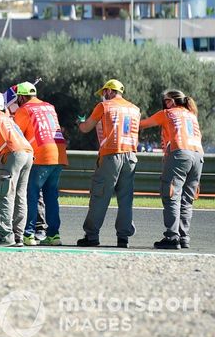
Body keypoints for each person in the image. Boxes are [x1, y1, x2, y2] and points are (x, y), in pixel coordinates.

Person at [76, 79, 140, 248]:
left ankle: (91, 236)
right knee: (126, 199)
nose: (103, 96)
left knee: (100, 196)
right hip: (131, 156)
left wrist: (79, 122)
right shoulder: (135, 109)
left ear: (110, 91)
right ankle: (123, 238)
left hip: (111, 155)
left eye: (104, 92)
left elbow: (86, 127)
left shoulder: (104, 106)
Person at [139, 90, 205, 250]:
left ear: (173, 101)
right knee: (187, 199)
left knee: (171, 194)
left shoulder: (167, 113)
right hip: (199, 155)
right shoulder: (191, 115)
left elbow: (143, 124)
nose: (164, 103)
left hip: (180, 153)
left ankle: (172, 237)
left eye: (166, 100)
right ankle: (183, 237)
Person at [12, 82, 68, 246]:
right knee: (51, 196)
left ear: (21, 97)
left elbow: (16, 133)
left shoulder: (24, 110)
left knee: (31, 194)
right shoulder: (49, 107)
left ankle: (28, 234)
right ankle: (53, 235)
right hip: (59, 154)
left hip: (41, 155)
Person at [0, 90, 34, 247]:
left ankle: (5, 235)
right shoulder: (7, 117)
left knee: (4, 194)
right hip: (28, 153)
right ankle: (19, 236)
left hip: (13, 155)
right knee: (20, 196)